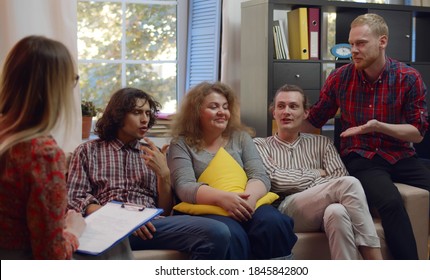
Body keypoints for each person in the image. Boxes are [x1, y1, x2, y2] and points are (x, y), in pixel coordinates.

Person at [306, 13, 430, 260]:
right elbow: (314, 120)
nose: (353, 51)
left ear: (382, 41)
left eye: (361, 43)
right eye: (351, 44)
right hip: (360, 157)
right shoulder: (339, 78)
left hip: (400, 155)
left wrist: (377, 126)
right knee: (391, 203)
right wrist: (284, 131)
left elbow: (417, 133)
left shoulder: (408, 78)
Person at [67, 87, 231, 260]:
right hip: (107, 225)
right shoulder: (88, 150)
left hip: (150, 227)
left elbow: (166, 211)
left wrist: (164, 175)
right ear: (118, 115)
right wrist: (122, 218)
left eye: (147, 113)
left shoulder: (154, 153)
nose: (145, 119)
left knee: (217, 232)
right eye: (137, 112)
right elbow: (76, 200)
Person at [167, 81, 297, 259]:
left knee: (273, 222)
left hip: (247, 202)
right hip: (207, 208)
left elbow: (259, 175)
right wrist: (223, 199)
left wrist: (247, 201)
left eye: (225, 107)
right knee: (232, 234)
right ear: (196, 112)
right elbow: (184, 186)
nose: (222, 112)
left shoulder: (241, 138)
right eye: (213, 107)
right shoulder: (180, 144)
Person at [253, 84, 382, 260]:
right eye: (281, 106)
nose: (286, 111)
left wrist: (316, 184)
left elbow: (339, 177)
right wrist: (316, 173)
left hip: (324, 210)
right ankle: (375, 259)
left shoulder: (322, 143)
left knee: (337, 211)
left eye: (293, 106)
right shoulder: (260, 145)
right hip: (287, 209)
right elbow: (276, 180)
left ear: (306, 113)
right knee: (350, 184)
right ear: (273, 112)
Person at [0, 35, 86, 259]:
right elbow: (51, 256)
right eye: (72, 79)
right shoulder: (41, 153)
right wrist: (73, 231)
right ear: (54, 89)